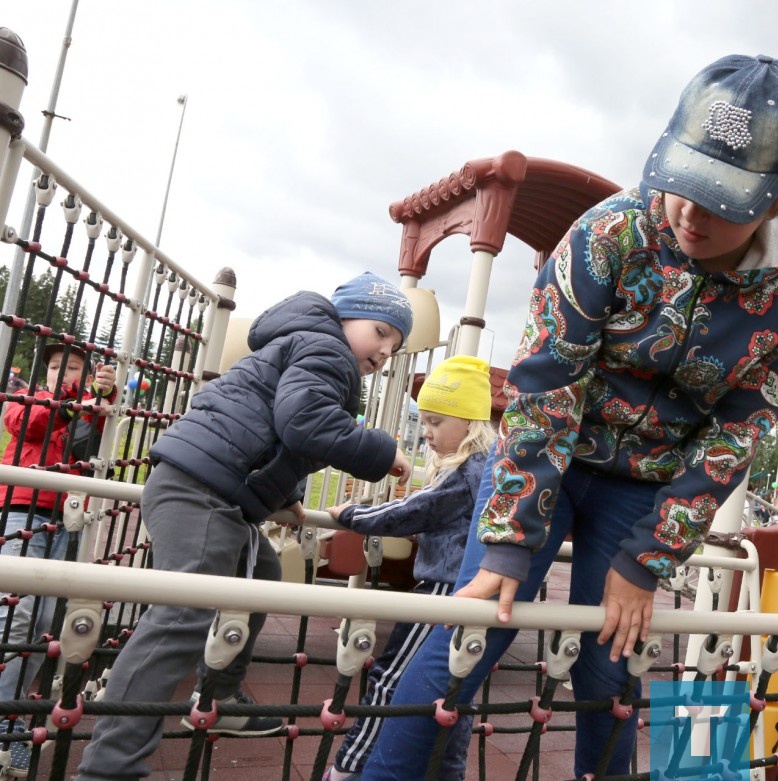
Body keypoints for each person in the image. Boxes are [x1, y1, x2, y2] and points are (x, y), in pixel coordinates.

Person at [362, 53, 778, 779]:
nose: (692, 213)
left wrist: (648, 557)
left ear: (777, 200)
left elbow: (741, 427)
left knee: (611, 663)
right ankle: (382, 773)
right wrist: (511, 540)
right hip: (554, 451)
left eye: (725, 199)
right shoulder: (609, 234)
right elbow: (547, 384)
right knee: (471, 630)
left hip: (643, 485)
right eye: (685, 181)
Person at [76, 274, 414, 781]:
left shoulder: (306, 346)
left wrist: (287, 495)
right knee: (182, 615)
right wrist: (384, 452)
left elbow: (273, 431)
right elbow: (305, 421)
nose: (386, 350)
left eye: (396, 344)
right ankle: (110, 767)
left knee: (261, 576)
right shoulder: (326, 349)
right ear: (344, 316)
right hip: (202, 490)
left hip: (213, 489)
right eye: (381, 331)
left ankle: (221, 694)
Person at [322, 355, 495, 781]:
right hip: (467, 589)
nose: (428, 432)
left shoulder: (466, 470)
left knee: (388, 678)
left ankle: (350, 767)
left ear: (469, 422)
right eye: (426, 421)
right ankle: (446, 773)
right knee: (453, 694)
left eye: (437, 421)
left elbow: (412, 510)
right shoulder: (484, 467)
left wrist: (352, 514)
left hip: (445, 591)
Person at [1, 342, 116, 776]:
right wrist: (77, 402)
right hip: (21, 510)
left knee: (44, 623)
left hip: (65, 519)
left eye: (71, 367)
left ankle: (8, 720)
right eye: (54, 366)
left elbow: (101, 435)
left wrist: (106, 394)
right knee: (18, 611)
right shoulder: (28, 399)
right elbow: (30, 424)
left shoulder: (85, 408)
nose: (61, 372)